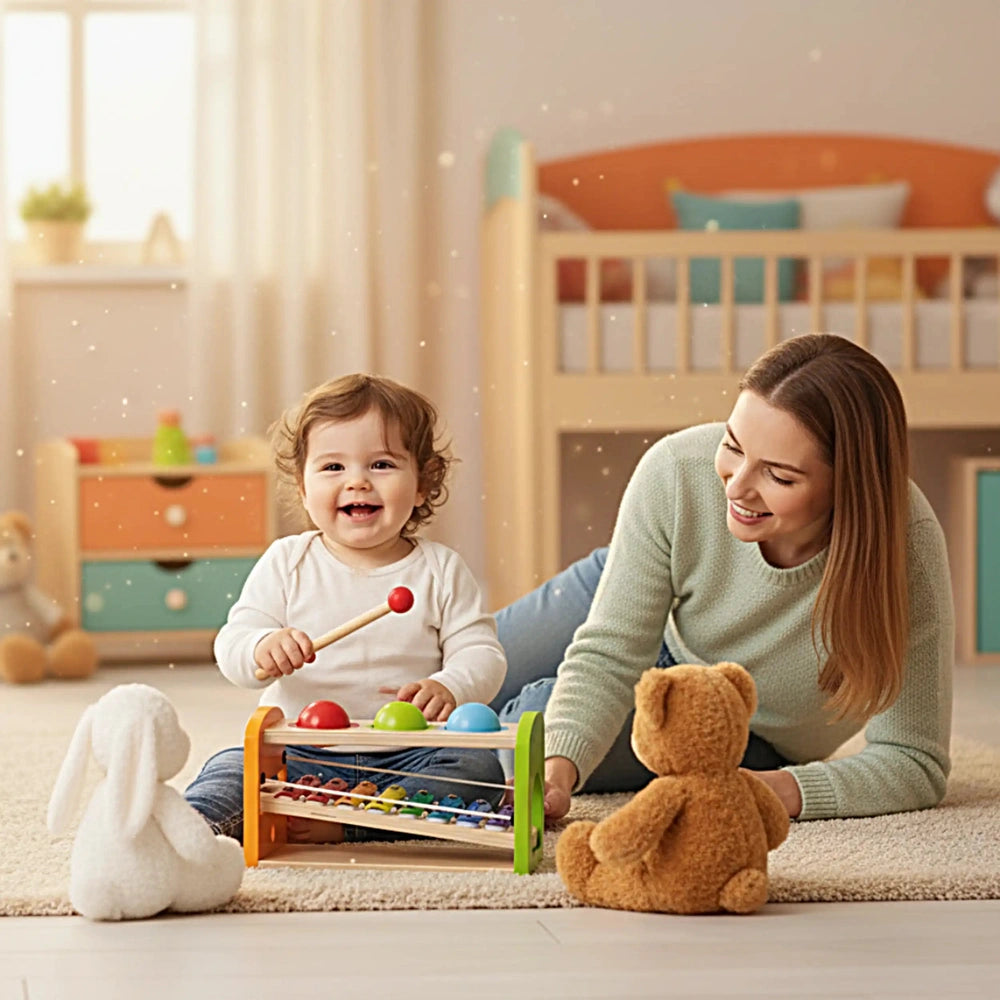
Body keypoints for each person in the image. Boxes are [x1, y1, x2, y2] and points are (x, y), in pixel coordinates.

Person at [490, 333, 954, 823]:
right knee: (448, 670)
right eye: (732, 446)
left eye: (779, 476)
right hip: (641, 597)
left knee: (528, 724)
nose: (736, 486)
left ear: (850, 485)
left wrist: (771, 789)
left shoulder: (907, 551)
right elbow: (611, 650)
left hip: (745, 728)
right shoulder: (677, 470)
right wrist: (559, 765)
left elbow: (913, 762)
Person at [185, 374, 508, 843]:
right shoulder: (287, 561)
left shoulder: (441, 569)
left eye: (381, 464)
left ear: (422, 484)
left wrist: (450, 684)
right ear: (302, 487)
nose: (357, 481)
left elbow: (483, 652)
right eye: (333, 467)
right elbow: (232, 642)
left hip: (410, 755)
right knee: (231, 767)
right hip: (298, 752)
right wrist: (261, 648)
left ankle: (348, 824)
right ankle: (186, 833)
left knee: (476, 769)